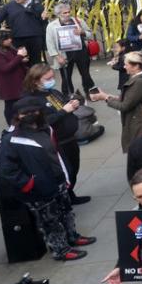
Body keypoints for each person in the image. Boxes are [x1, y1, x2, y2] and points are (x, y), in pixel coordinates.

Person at [0, 97, 96, 261]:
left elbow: (55, 153)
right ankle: (60, 250)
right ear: (17, 116)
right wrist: (29, 184)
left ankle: (72, 236)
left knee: (66, 212)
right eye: (24, 113)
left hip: (57, 180)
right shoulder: (11, 139)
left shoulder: (46, 129)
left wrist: (65, 174)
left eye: (34, 111)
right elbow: (7, 169)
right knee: (50, 221)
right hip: (38, 189)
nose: (30, 115)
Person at [23, 63, 97, 204]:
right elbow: (43, 121)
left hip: (69, 137)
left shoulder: (53, 92)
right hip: (56, 141)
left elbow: (62, 105)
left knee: (74, 168)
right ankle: (62, 199)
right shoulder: (32, 100)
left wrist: (72, 103)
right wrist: (64, 111)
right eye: (47, 78)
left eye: (52, 77)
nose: (52, 80)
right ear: (35, 80)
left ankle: (70, 195)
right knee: (65, 170)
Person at [89, 51, 142, 152]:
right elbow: (130, 98)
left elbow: (125, 105)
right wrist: (107, 96)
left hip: (140, 123)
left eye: (126, 64)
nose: (124, 67)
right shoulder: (139, 78)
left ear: (136, 66)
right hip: (140, 120)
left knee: (138, 152)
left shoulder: (140, 82)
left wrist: (105, 98)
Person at [45, 2, 95, 97]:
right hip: (64, 54)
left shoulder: (78, 21)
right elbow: (50, 43)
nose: (67, 14)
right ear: (58, 14)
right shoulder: (52, 26)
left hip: (81, 52)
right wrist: (57, 57)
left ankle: (90, 92)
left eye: (68, 12)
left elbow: (90, 35)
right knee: (66, 77)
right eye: (64, 13)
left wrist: (82, 32)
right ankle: (68, 96)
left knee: (86, 74)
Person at [0, 0, 48, 64]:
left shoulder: (37, 5)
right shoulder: (8, 6)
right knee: (21, 61)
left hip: (35, 38)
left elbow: (43, 23)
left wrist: (45, 18)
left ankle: (35, 75)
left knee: (36, 62)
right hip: (18, 39)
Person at [0, 28, 29, 121]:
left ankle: (20, 122)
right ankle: (11, 124)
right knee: (10, 106)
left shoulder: (9, 48)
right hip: (7, 84)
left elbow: (14, 61)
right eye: (7, 39)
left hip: (18, 81)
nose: (10, 40)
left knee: (20, 103)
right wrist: (19, 56)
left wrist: (21, 59)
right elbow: (5, 68)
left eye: (10, 38)